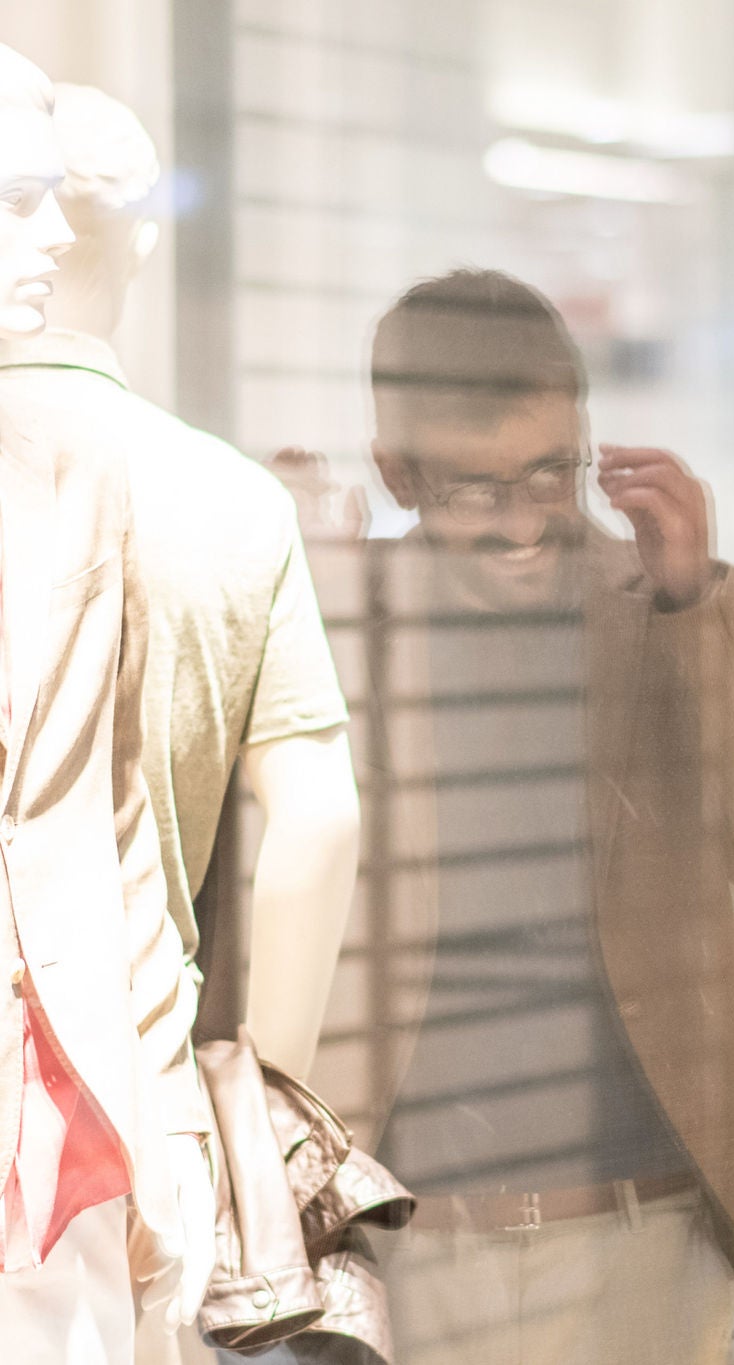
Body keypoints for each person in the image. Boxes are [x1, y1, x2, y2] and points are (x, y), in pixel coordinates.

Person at [354, 268, 734, 1363]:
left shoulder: (692, 603)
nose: (525, 523)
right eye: (478, 490)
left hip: (643, 1230)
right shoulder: (336, 622)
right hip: (409, 1243)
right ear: (397, 475)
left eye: (550, 473)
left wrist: (696, 602)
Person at [0, 82, 360, 1089]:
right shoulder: (233, 499)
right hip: (144, 1079)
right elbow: (320, 818)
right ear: (144, 246)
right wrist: (269, 1102)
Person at [0, 44, 213, 1364]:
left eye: (50, 195)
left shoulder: (73, 469)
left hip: (61, 1144)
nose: (51, 235)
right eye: (12, 200)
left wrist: (168, 1116)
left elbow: (112, 823)